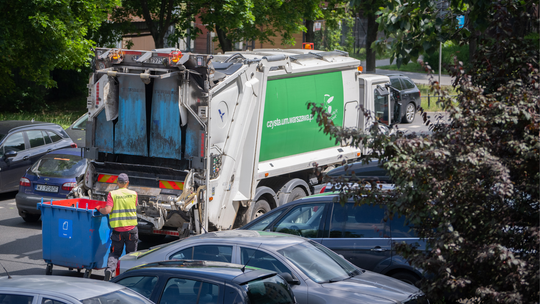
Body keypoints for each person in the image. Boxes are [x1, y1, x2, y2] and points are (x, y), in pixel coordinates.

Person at [96, 173, 138, 281]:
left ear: (117, 182)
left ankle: (110, 270)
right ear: (127, 183)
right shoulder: (134, 194)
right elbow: (135, 206)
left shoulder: (112, 194)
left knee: (115, 253)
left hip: (118, 231)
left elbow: (107, 210)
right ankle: (131, 276)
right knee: (132, 255)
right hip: (131, 230)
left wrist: (99, 209)